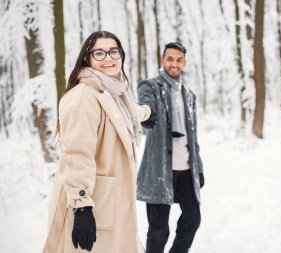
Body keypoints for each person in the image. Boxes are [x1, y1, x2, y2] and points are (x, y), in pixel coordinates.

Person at [43, 31, 151, 253]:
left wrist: (147, 113)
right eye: (99, 53)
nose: (108, 58)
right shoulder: (83, 97)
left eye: (113, 51)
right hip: (93, 204)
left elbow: (122, 115)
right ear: (88, 58)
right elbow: (76, 153)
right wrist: (81, 206)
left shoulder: (115, 93)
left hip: (111, 202)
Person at [137, 42, 204, 253]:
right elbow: (146, 106)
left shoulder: (189, 94)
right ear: (162, 60)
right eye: (170, 59)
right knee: (158, 231)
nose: (174, 64)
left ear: (183, 62)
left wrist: (199, 169)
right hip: (159, 171)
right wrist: (147, 115)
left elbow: (193, 137)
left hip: (185, 170)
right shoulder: (150, 87)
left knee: (193, 218)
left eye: (178, 60)